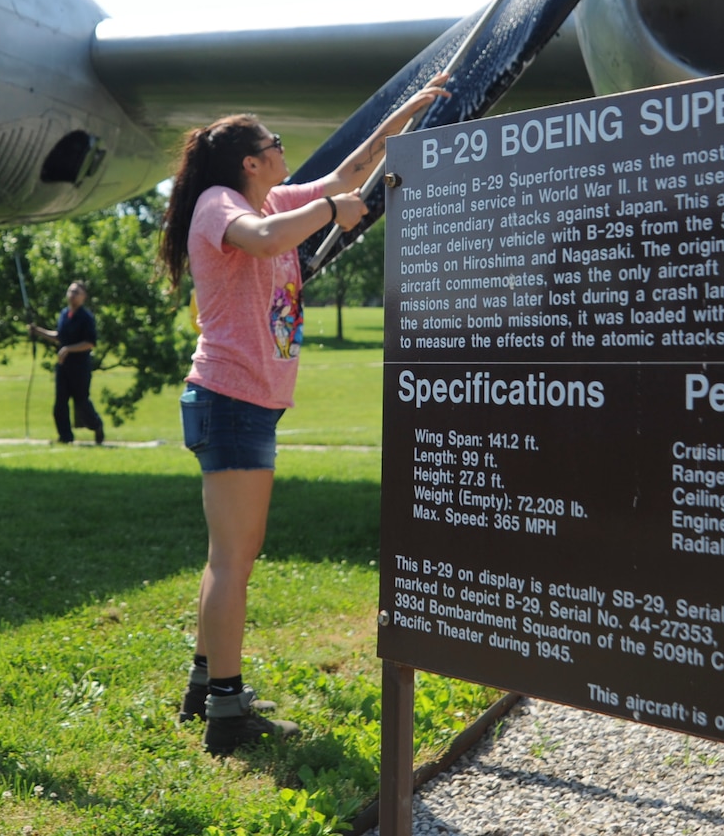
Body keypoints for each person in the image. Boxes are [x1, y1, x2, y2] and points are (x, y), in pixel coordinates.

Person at [161, 74, 451, 755]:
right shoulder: (220, 203)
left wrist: (407, 109)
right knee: (236, 555)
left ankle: (206, 686)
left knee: (229, 554)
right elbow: (263, 239)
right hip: (231, 399)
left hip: (247, 400)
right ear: (250, 160)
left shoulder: (269, 194)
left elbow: (351, 170)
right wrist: (331, 209)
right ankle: (228, 712)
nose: (287, 150)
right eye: (276, 143)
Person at [29, 281, 105, 445]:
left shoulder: (86, 317)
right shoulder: (64, 314)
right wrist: (38, 331)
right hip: (64, 367)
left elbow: (90, 343)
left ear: (84, 296)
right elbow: (59, 337)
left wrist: (68, 349)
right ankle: (65, 437)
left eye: (76, 292)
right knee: (60, 404)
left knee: (82, 402)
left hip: (80, 366)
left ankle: (96, 425)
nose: (72, 295)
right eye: (70, 291)